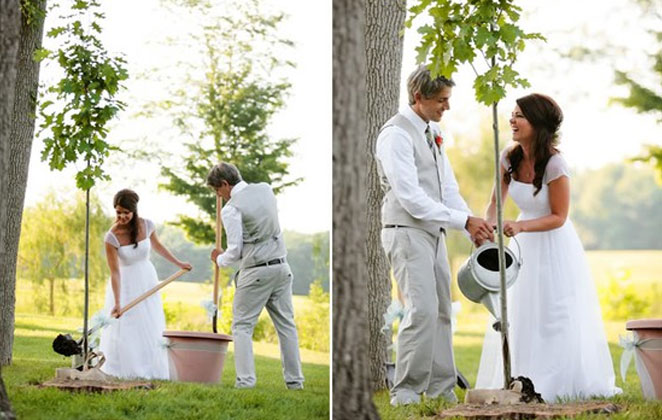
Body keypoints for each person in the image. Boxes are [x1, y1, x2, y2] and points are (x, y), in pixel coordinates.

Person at [475, 93, 621, 401]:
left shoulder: (556, 164)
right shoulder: (508, 158)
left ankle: (557, 381)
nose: (512, 120)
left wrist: (521, 225)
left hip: (554, 245)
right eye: (512, 114)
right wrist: (489, 227)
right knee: (522, 311)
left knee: (555, 312)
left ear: (539, 124)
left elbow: (559, 216)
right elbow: (493, 204)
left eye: (520, 116)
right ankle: (522, 378)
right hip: (523, 246)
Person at [375, 65, 494, 406]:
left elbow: (448, 188)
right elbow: (410, 197)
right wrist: (462, 221)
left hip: (434, 232)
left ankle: (441, 387)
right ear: (418, 97)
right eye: (441, 100)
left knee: (443, 309)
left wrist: (470, 223)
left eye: (448, 99)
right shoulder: (396, 135)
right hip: (406, 231)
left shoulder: (433, 132)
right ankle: (407, 391)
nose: (447, 107)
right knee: (422, 309)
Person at [208, 162, 305, 390]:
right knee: (287, 327)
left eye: (217, 191)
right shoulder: (266, 189)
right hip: (282, 267)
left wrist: (219, 259)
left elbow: (235, 251)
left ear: (224, 184)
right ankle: (295, 382)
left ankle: (245, 382)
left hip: (256, 272)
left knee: (241, 326)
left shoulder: (231, 209)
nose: (218, 196)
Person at [99, 189, 192, 380]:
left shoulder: (147, 225)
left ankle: (150, 368)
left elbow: (158, 247)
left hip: (147, 279)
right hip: (124, 285)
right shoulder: (111, 237)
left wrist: (179, 263)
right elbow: (115, 272)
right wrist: (117, 302)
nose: (122, 216)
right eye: (118, 212)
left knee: (149, 322)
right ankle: (127, 369)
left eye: (126, 212)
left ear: (134, 211)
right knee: (128, 326)